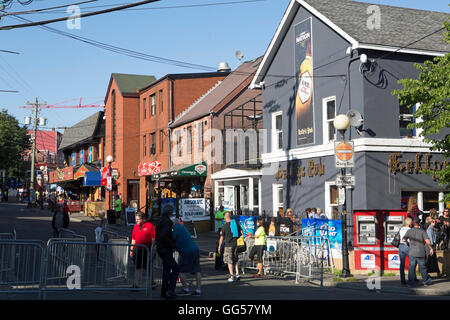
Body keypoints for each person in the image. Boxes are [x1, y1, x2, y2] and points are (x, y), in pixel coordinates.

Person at [172, 219, 202, 296]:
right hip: (195, 249)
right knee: (197, 270)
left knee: (180, 270)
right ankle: (198, 290)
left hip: (186, 251)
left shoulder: (176, 228)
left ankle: (186, 289)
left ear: (173, 224)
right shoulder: (183, 227)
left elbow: (172, 240)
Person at [155, 205, 179, 299]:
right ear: (170, 211)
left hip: (161, 248)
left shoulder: (160, 220)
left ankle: (166, 291)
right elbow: (164, 235)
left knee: (168, 270)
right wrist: (173, 245)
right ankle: (168, 291)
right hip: (165, 248)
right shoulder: (167, 221)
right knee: (173, 269)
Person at [403, 218, 434, 287]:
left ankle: (410, 283)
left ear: (413, 223)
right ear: (419, 223)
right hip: (420, 252)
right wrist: (431, 248)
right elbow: (427, 241)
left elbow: (403, 239)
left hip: (412, 252)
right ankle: (425, 281)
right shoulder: (422, 231)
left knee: (411, 268)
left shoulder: (409, 231)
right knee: (423, 267)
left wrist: (409, 244)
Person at [130, 212, 155, 289]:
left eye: (138, 219)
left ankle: (152, 282)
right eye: (136, 219)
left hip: (147, 250)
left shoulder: (149, 226)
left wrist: (153, 250)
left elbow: (153, 239)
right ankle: (136, 284)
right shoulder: (135, 227)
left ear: (143, 219)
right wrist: (131, 249)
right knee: (138, 267)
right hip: (137, 250)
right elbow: (133, 238)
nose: (136, 221)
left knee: (149, 267)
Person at [218, 211, 243, 282]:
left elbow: (221, 238)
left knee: (229, 261)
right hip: (236, 245)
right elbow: (241, 233)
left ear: (225, 218)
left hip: (228, 245)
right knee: (236, 260)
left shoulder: (224, 226)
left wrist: (219, 247)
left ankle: (232, 276)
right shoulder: (236, 224)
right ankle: (238, 274)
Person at [398, 217, 412, 285]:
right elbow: (409, 240)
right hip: (407, 246)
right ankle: (410, 279)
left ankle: (402, 280)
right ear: (410, 223)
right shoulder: (410, 229)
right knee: (411, 263)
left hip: (400, 246)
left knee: (402, 264)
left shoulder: (401, 228)